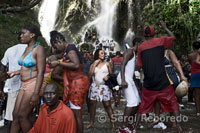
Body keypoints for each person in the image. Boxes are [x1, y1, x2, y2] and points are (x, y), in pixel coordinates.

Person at [133, 21, 182, 133]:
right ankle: (179, 128)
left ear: (144, 35)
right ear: (154, 34)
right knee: (173, 103)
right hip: (162, 81)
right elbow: (173, 37)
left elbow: (139, 66)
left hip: (149, 83)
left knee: (142, 106)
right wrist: (165, 27)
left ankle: (135, 129)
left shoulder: (141, 47)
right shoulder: (161, 41)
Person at [48, 30, 89, 133]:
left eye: (56, 46)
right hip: (75, 83)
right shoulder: (67, 50)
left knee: (76, 114)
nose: (56, 49)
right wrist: (54, 57)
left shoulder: (70, 48)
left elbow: (75, 64)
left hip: (78, 83)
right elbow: (60, 56)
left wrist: (58, 63)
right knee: (74, 113)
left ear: (59, 42)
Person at [9, 24, 46, 133]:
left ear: (32, 35)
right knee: (15, 115)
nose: (20, 35)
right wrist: (15, 72)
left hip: (33, 84)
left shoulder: (39, 49)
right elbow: (26, 68)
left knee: (22, 116)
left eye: (23, 33)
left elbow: (40, 72)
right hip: (24, 84)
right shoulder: (27, 48)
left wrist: (36, 93)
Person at [0, 32, 27, 130]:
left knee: (12, 115)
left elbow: (2, 67)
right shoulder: (32, 50)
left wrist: (1, 86)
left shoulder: (10, 50)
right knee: (24, 114)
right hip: (27, 84)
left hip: (12, 85)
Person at [86, 49, 115, 131]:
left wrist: (108, 77)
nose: (103, 54)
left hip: (104, 87)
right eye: (101, 53)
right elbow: (89, 75)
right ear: (97, 55)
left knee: (107, 105)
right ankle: (91, 122)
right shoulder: (93, 64)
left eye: (103, 53)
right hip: (95, 86)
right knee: (92, 105)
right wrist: (94, 65)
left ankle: (113, 123)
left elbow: (112, 75)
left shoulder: (107, 64)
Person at [117, 37, 142, 132]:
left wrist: (136, 86)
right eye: (141, 44)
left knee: (138, 103)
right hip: (124, 78)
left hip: (130, 79)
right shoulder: (129, 51)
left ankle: (129, 124)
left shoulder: (135, 54)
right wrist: (123, 80)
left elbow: (132, 71)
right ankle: (123, 128)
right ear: (137, 43)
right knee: (132, 102)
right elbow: (122, 65)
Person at [188, 41, 200, 116]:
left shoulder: (190, 55)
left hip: (195, 74)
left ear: (193, 47)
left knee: (196, 94)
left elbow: (190, 63)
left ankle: (198, 111)